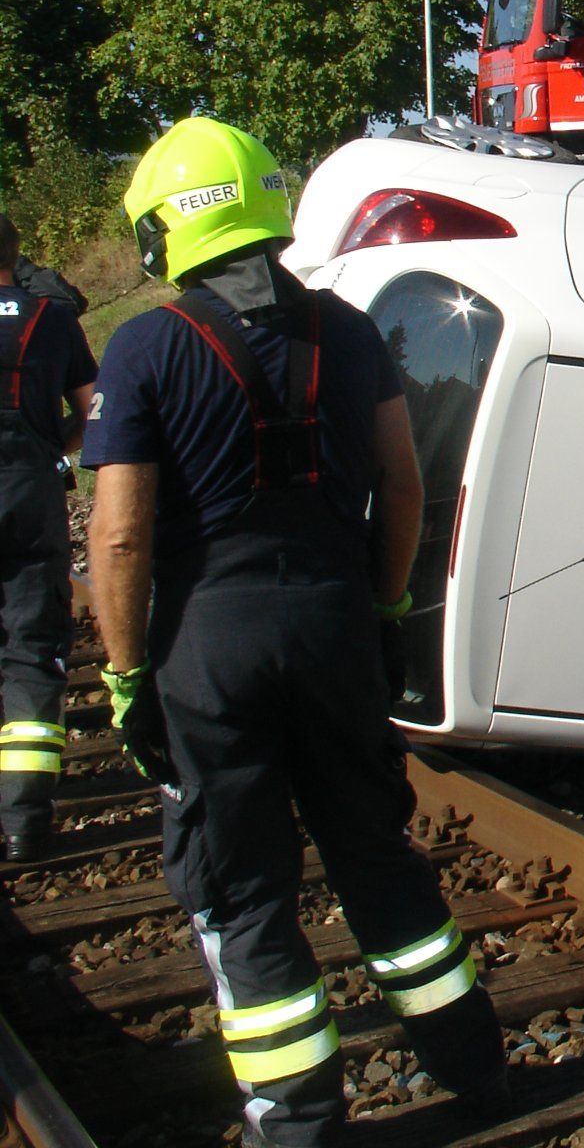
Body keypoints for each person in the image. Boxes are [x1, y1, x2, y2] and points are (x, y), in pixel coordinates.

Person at [83, 117, 507, 1145]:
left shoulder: (144, 347)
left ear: (167, 234)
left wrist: (128, 674)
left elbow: (122, 536)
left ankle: (299, 1117)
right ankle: (472, 1063)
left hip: (208, 653)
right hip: (333, 627)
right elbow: (403, 484)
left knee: (243, 888)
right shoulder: (349, 331)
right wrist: (386, 603)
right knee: (374, 847)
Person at [0, 213, 96, 863]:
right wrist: (54, 456)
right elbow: (94, 409)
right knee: (31, 650)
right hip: (29, 491)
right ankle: (24, 822)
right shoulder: (51, 319)